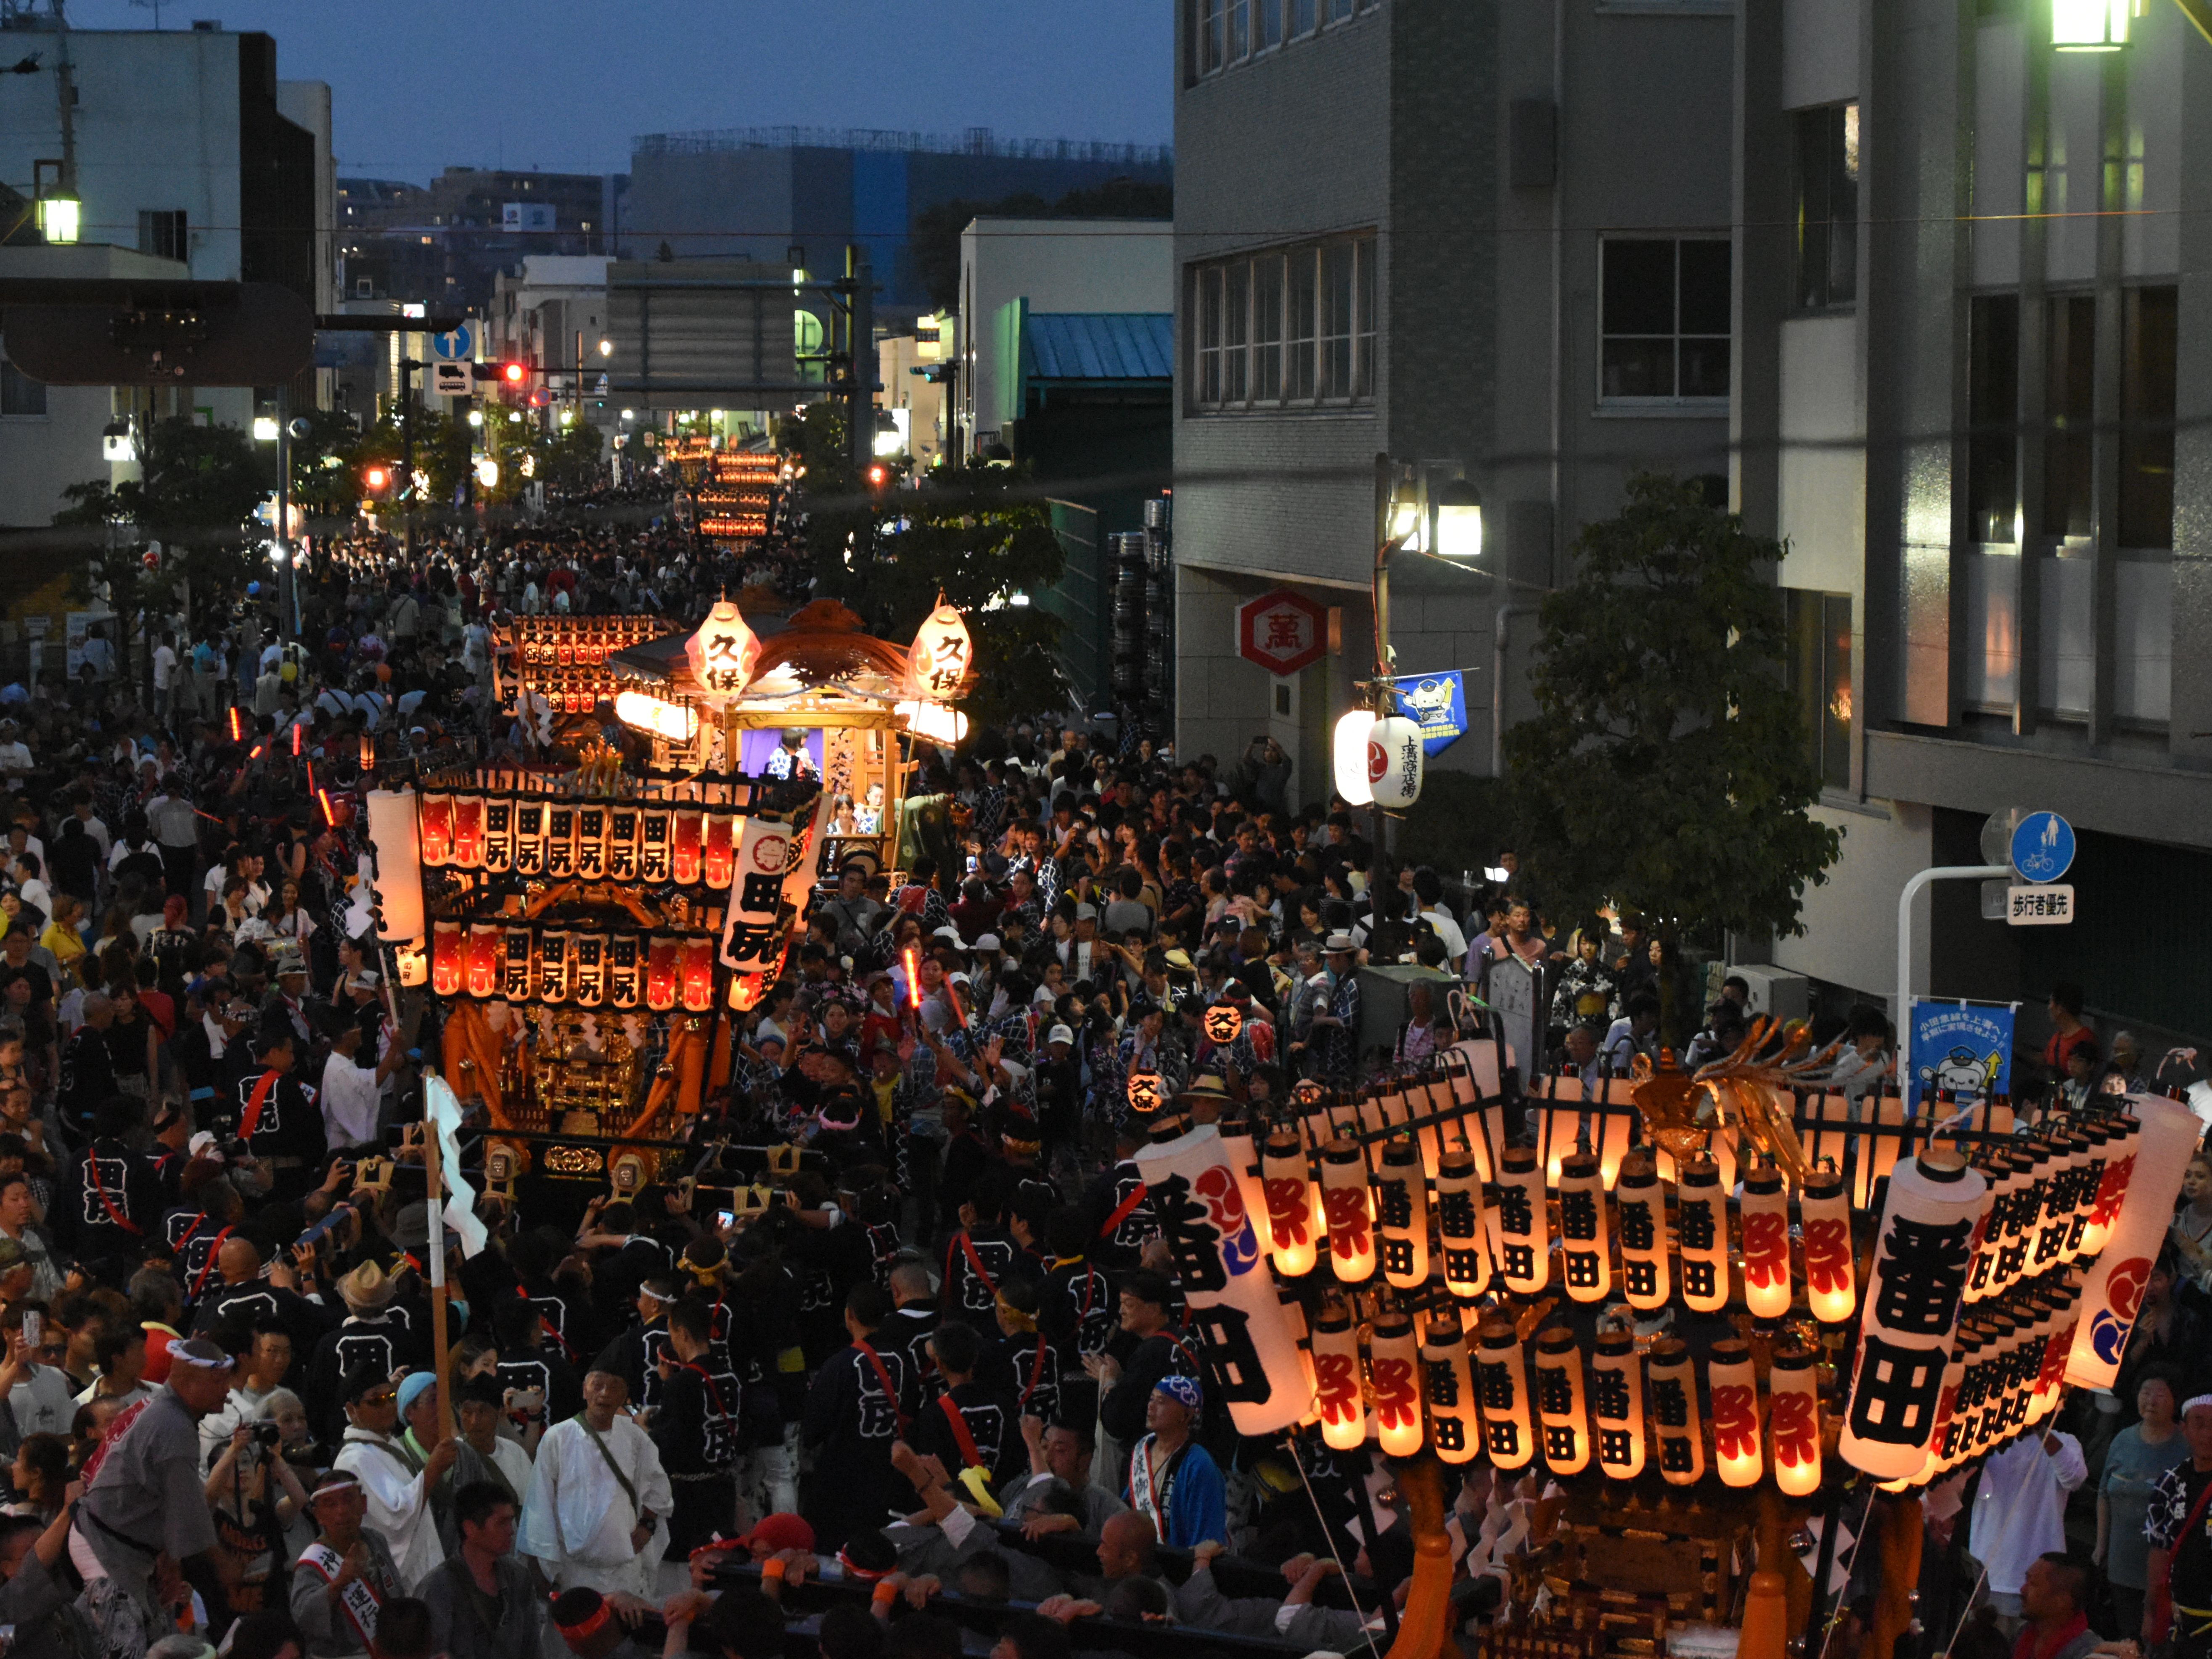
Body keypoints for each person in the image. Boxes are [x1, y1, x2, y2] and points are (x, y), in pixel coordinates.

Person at [72, 1337, 241, 1648]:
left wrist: (170, 1559)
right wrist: (224, 1564)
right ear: (189, 1382)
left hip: (120, 1537)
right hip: (104, 1541)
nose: (227, 1390)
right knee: (131, 1648)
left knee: (158, 1641)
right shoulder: (172, 1426)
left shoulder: (160, 1407)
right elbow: (188, 1512)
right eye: (219, 1381)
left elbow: (165, 1500)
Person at [519, 1360, 670, 1605]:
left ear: (625, 1395)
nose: (605, 1394)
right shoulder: (558, 1438)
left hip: (625, 1572)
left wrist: (648, 1526)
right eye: (597, 1385)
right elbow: (540, 1503)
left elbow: (658, 1488)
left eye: (614, 1387)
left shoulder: (635, 1438)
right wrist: (543, 1574)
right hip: (575, 1573)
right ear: (585, 1390)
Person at [331, 1366, 457, 1591]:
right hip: (403, 1589)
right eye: (376, 1401)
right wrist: (433, 1470)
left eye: (391, 1397)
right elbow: (396, 1520)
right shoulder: (355, 1459)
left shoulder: (385, 1444)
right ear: (352, 1409)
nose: (389, 1406)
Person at [1968, 1419, 2087, 1631]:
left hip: (2044, 1585)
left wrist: (2041, 1430)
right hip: (1989, 1577)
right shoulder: (1986, 1440)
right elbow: (1974, 1488)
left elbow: (2074, 1479)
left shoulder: (2067, 1441)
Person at [2099, 1368, 2189, 1641]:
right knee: (2125, 1633)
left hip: (2165, 1567)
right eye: (2146, 1393)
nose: (2151, 1400)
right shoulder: (2123, 1439)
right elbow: (2104, 1493)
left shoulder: (2186, 1447)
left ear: (2175, 1402)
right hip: (2120, 1559)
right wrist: (2101, 1546)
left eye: (2161, 1394)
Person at [417, 1481, 541, 1659]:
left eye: (511, 1521)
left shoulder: (519, 1577)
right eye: (501, 1523)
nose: (511, 1531)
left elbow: (533, 1649)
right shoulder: (438, 1588)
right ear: (471, 1528)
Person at [289, 1470, 405, 1659]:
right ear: (318, 1515)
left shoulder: (375, 1540)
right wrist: (339, 1583)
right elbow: (303, 1618)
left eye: (348, 1500)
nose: (342, 1510)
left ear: (364, 1504)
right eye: (331, 1504)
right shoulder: (312, 1563)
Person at [1122, 1375, 1225, 1549]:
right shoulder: (1143, 1448)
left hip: (1177, 1564)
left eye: (1162, 1401)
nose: (1151, 1406)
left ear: (1187, 1415)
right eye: (1151, 1399)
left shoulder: (1200, 1465)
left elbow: (1207, 1536)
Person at [2145, 1394, 2212, 1654]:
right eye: (2198, 1423)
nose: (2208, 1434)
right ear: (2183, 1429)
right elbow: (2159, 1549)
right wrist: (2151, 1614)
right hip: (2178, 1617)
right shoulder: (2170, 1481)